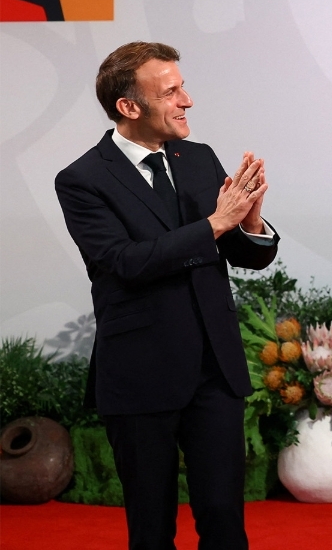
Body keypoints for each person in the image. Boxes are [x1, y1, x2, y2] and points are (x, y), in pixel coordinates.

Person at [55, 41, 279, 550]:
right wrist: (217, 222)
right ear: (129, 107)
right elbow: (125, 263)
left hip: (214, 372)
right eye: (171, 92)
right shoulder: (82, 180)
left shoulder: (198, 158)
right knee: (151, 527)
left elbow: (249, 256)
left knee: (225, 520)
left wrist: (249, 219)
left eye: (183, 87)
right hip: (140, 373)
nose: (188, 101)